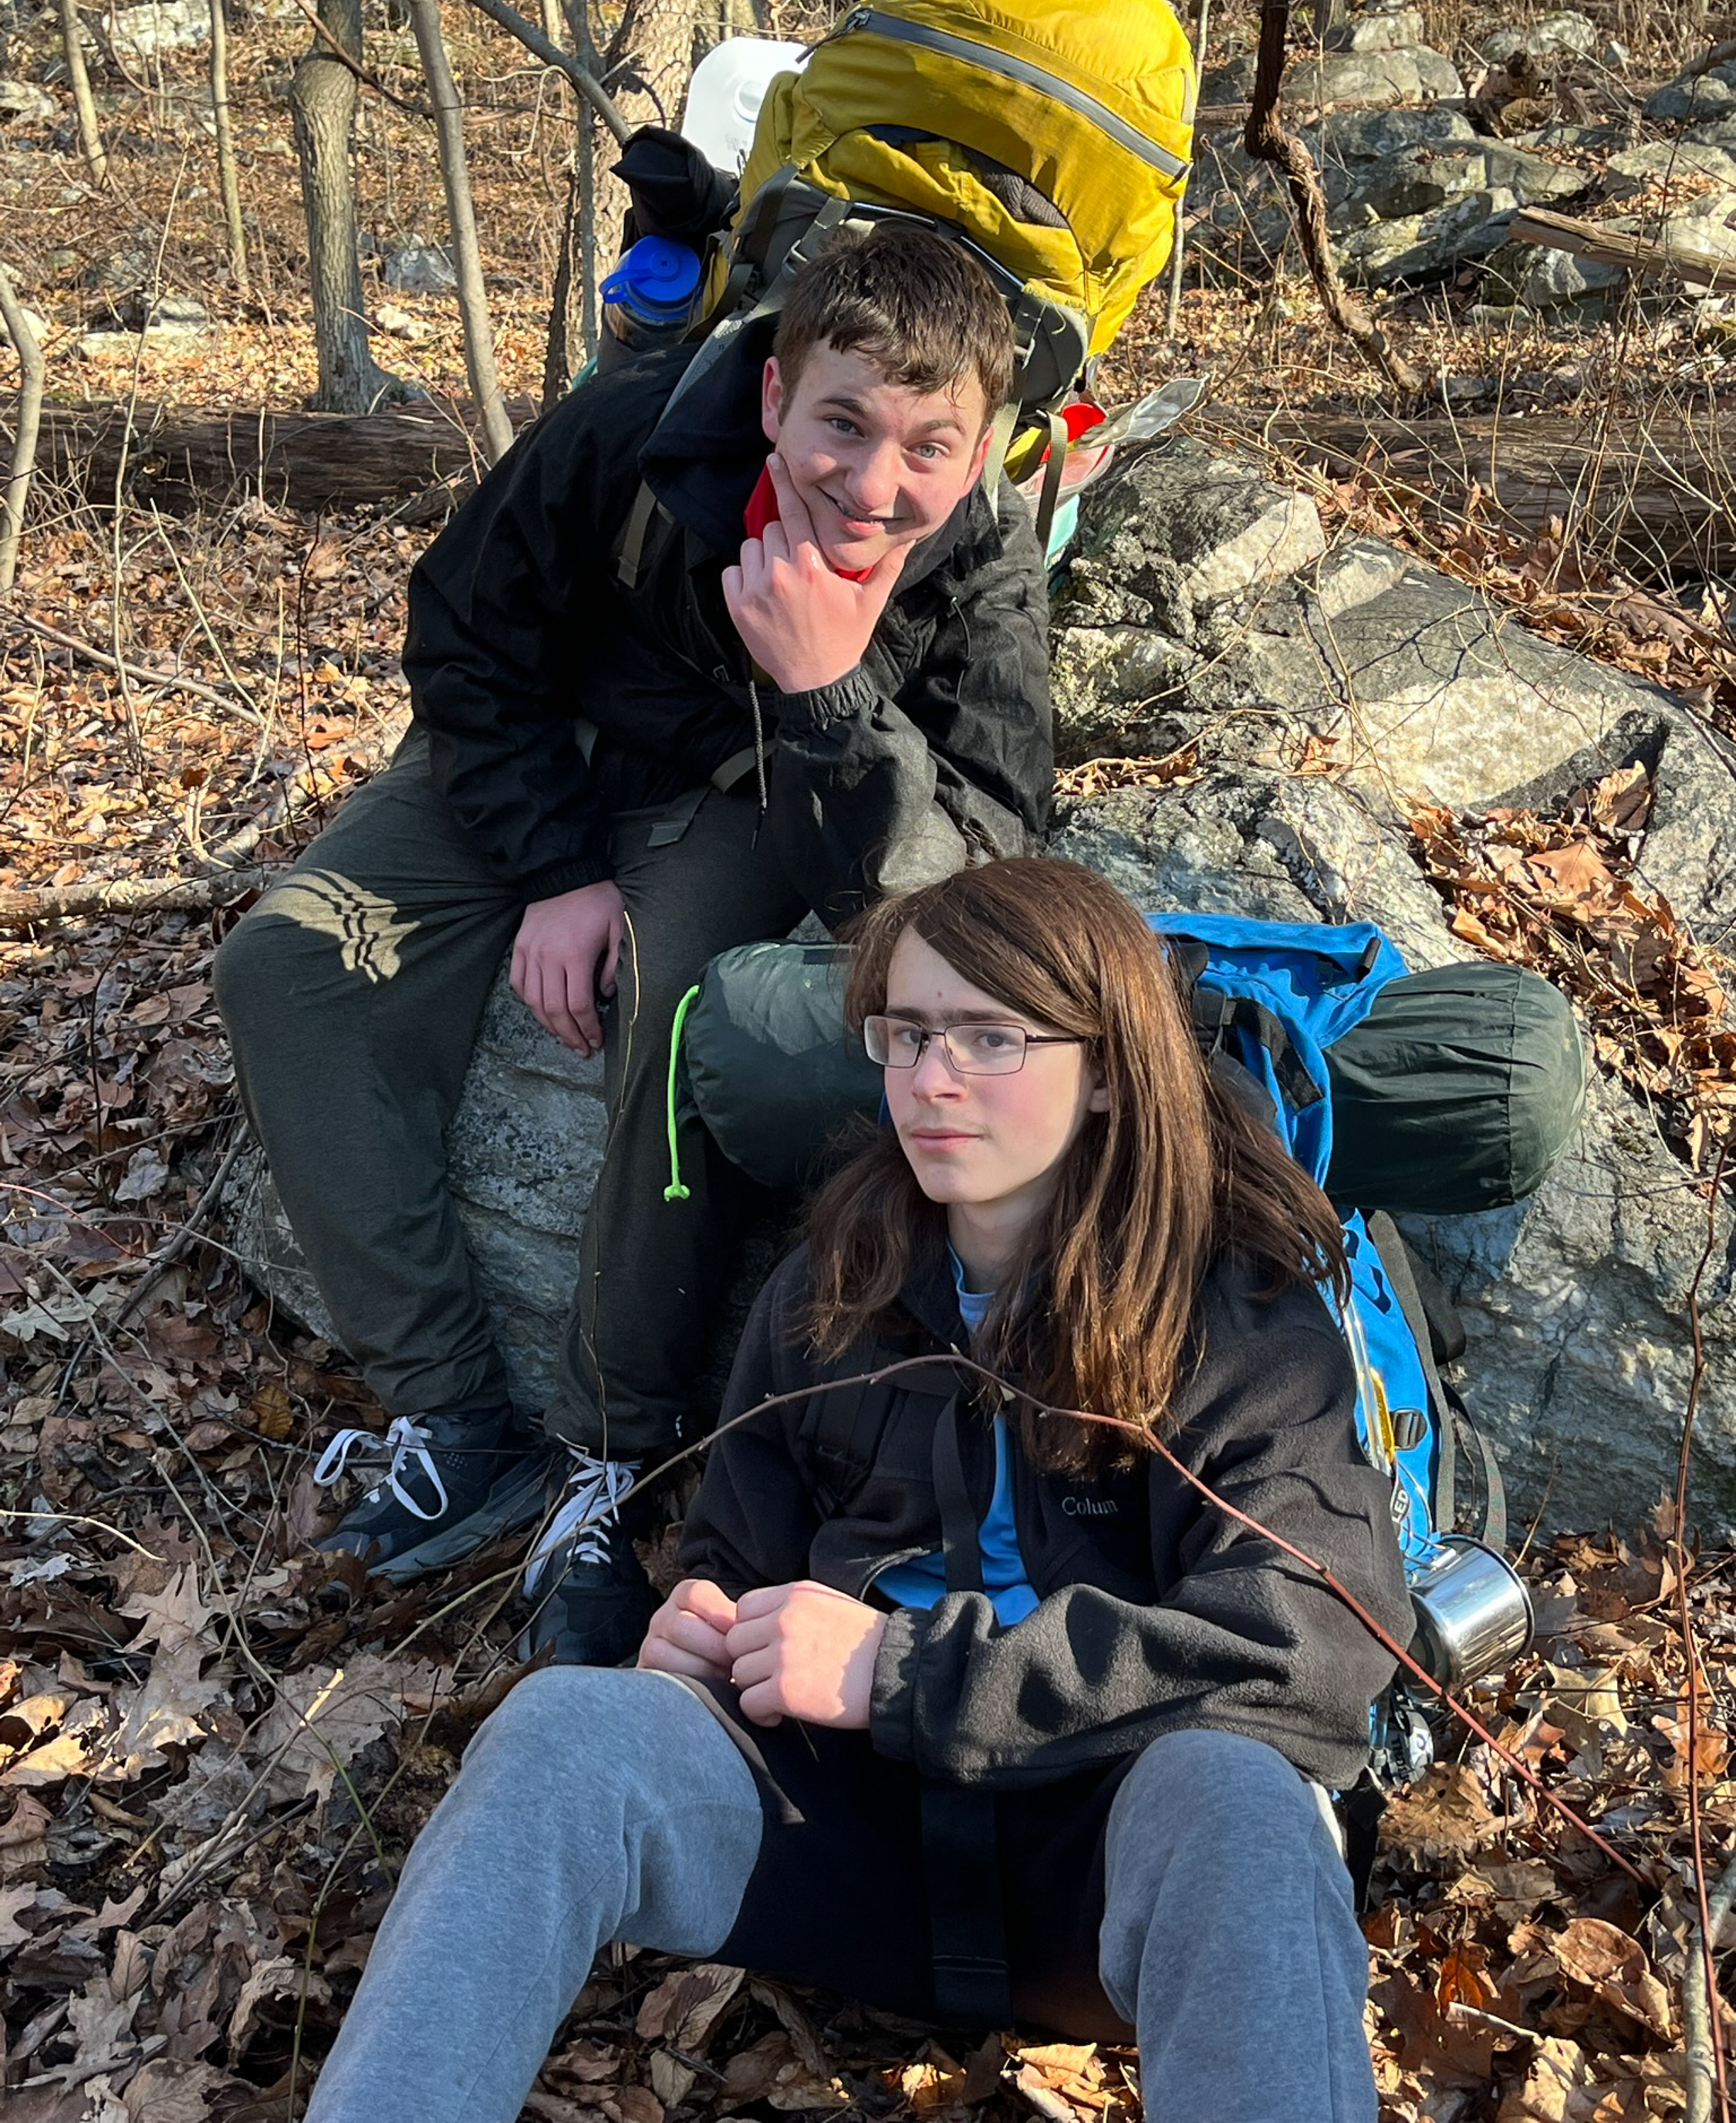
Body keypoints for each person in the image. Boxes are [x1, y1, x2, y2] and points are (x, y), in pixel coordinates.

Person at [302, 856, 1413, 2123]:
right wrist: (703, 1635)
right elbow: (735, 1550)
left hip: (1105, 1882)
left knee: (1235, 1796)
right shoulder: (835, 1278)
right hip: (848, 1852)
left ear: (1107, 1069)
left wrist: (905, 1673)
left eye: (991, 1038)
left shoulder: (1243, 1311)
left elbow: (1314, 1636)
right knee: (566, 1728)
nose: (933, 1079)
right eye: (910, 1033)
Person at [211, 226, 1051, 1665]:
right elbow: (463, 634)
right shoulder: (634, 431)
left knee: (671, 1010)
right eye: (842, 424)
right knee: (285, 964)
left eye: (927, 447)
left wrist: (829, 690)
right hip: (537, 759)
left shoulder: (977, 567)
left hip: (747, 794)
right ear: (775, 392)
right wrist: (553, 871)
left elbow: (973, 876)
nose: (873, 484)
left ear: (977, 456)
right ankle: (453, 1417)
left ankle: (606, 1451)